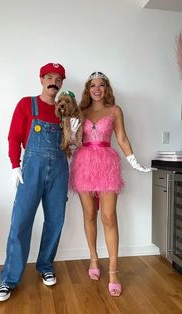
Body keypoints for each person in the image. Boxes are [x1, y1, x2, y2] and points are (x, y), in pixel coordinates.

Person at [69, 71, 150, 297]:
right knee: (89, 214)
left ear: (106, 88)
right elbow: (75, 143)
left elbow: (122, 138)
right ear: (88, 89)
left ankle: (114, 271)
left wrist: (133, 160)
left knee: (108, 216)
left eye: (101, 85)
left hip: (106, 163)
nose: (97, 89)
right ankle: (94, 259)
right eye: (93, 85)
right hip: (83, 163)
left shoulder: (115, 110)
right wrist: (73, 129)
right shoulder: (81, 112)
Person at [0, 63, 70, 302]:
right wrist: (15, 165)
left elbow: (68, 143)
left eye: (58, 79)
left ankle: (46, 265)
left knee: (55, 220)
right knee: (21, 222)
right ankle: (8, 279)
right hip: (31, 170)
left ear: (62, 83)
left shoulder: (65, 110)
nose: (53, 82)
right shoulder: (27, 104)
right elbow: (14, 136)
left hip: (59, 169)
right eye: (49, 77)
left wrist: (74, 138)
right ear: (41, 79)